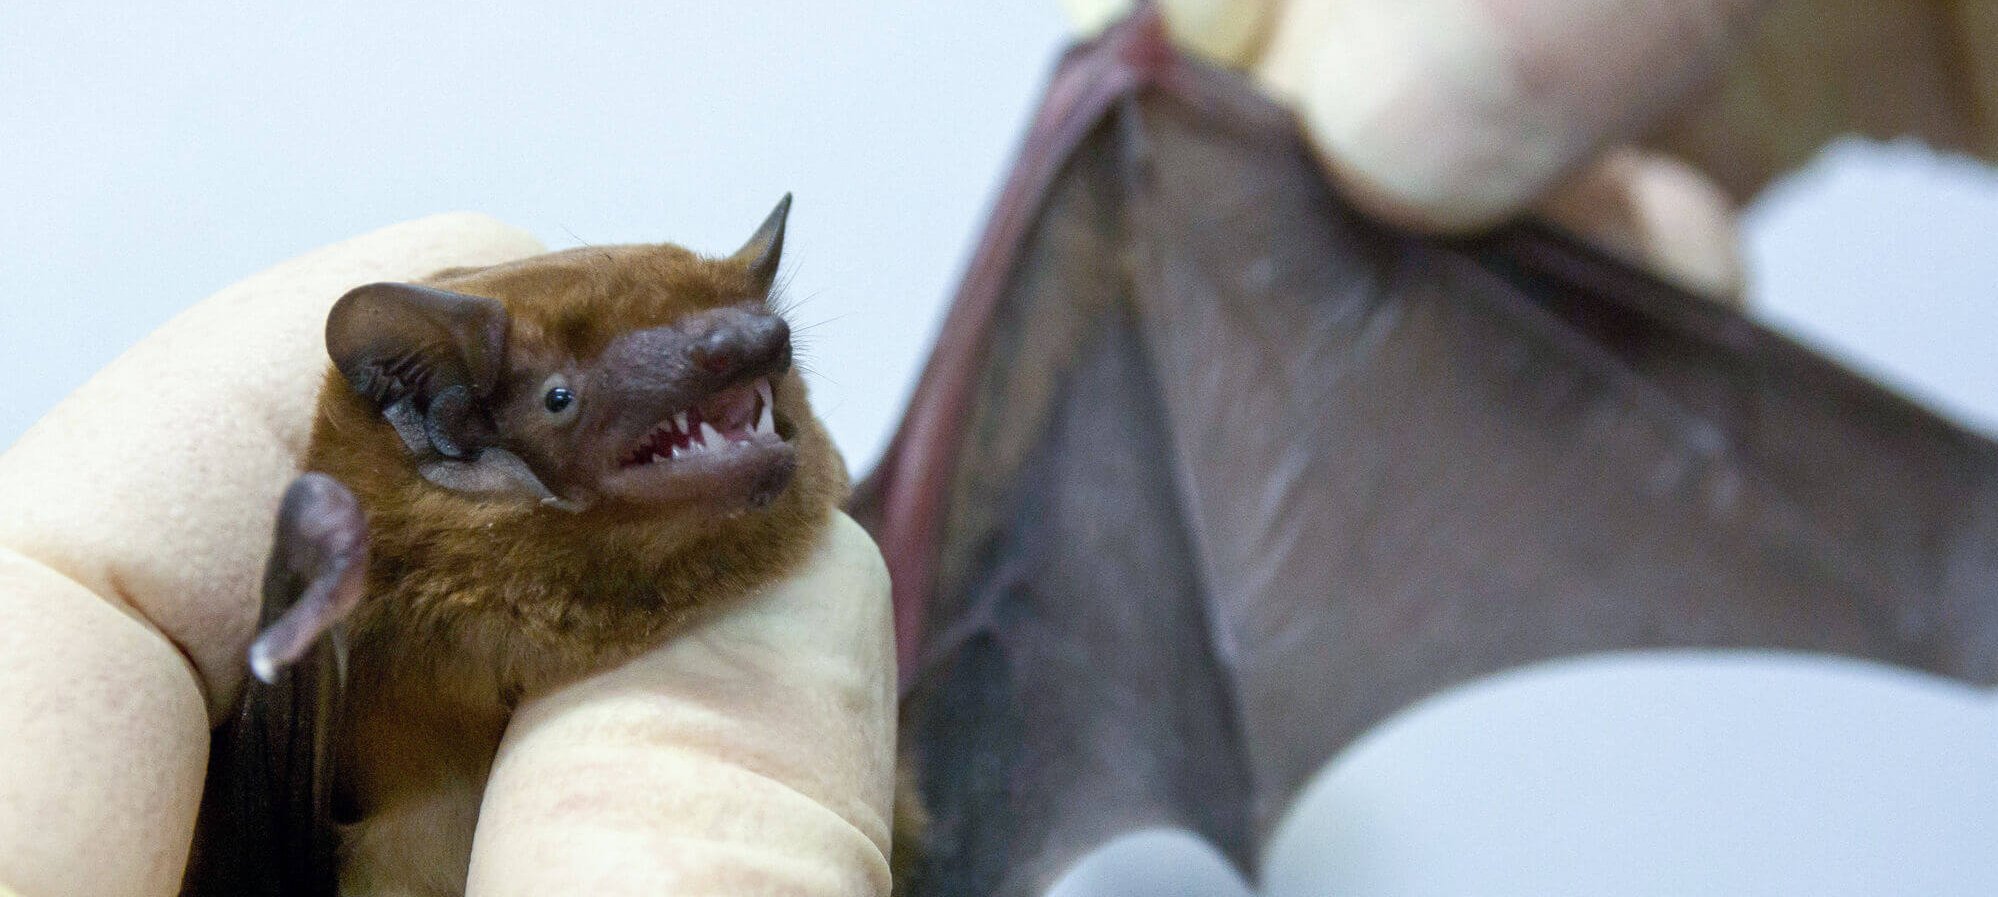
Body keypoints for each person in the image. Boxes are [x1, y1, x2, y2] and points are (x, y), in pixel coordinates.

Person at [1, 1, 1991, 893]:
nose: (744, 366)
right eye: (568, 400)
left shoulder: (869, 547)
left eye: (752, 348)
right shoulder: (333, 620)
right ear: (450, 421)